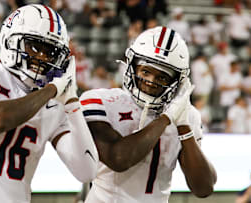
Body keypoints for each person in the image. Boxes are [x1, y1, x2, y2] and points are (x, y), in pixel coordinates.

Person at [0, 4, 98, 203]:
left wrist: (71, 101)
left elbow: (86, 171)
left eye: (50, 52)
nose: (42, 58)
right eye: (35, 47)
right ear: (11, 39)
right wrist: (52, 89)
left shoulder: (52, 102)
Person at [80, 26, 217, 203]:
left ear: (177, 82)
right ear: (132, 66)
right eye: (145, 71)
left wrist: (183, 125)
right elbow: (118, 159)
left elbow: (203, 188)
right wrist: (166, 118)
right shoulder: (101, 101)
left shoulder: (186, 115)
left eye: (162, 77)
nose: (151, 82)